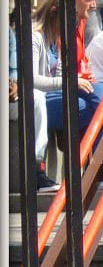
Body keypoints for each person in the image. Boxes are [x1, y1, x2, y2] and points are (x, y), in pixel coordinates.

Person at [32, 0, 103, 140]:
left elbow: (59, 72)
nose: (74, 24)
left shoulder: (54, 37)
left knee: (97, 93)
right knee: (92, 100)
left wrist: (77, 79)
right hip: (37, 98)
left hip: (54, 91)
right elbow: (30, 80)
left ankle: (98, 157)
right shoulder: (36, 37)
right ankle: (100, 158)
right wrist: (71, 81)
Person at [9, 22, 58, 192]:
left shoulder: (10, 36)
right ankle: (37, 170)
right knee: (35, 96)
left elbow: (16, 72)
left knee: (35, 96)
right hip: (15, 98)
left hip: (15, 97)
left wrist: (15, 83)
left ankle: (36, 167)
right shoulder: (36, 37)